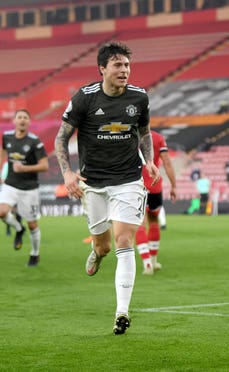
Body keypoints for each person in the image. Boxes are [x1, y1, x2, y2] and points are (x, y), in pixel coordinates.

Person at [54, 41, 160, 335]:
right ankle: (98, 254)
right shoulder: (85, 98)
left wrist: (149, 161)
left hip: (128, 181)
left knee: (124, 239)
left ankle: (121, 312)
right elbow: (61, 138)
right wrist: (67, 173)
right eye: (118, 65)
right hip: (94, 184)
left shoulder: (139, 97)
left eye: (127, 65)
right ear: (102, 69)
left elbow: (144, 132)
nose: (124, 70)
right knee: (103, 245)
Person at [0, 109, 48, 266]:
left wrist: (24, 168)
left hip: (29, 188)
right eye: (19, 117)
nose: (22, 120)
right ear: (14, 121)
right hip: (10, 184)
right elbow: (3, 151)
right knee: (2, 212)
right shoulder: (7, 136)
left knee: (32, 224)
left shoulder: (34, 141)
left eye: (25, 117)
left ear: (29, 122)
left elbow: (44, 166)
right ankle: (18, 229)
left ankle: (35, 254)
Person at [135, 130, 177, 275]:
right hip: (155, 185)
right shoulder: (158, 137)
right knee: (154, 222)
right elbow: (167, 163)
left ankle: (147, 264)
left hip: (136, 186)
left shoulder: (130, 134)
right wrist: (174, 186)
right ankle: (153, 261)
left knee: (140, 223)